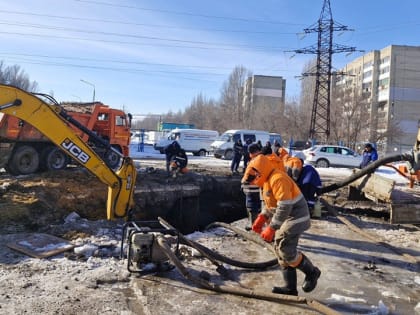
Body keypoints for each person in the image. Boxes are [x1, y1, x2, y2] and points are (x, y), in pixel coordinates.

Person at [241, 154, 321, 296]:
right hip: (287, 218)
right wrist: (262, 216)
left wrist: (272, 227)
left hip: (297, 217)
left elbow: (284, 206)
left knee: (285, 248)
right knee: (279, 250)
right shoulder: (266, 181)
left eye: (253, 178)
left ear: (260, 172)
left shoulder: (278, 179)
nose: (253, 181)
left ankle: (312, 272)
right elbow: (271, 205)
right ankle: (290, 288)